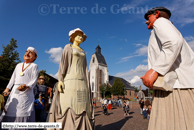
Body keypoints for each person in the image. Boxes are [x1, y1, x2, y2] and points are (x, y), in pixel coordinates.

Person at [141, 7, 194, 130]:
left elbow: (173, 41)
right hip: (176, 85)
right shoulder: (165, 27)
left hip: (176, 89)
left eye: (148, 18)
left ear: (157, 14)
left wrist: (155, 70)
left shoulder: (161, 22)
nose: (146, 22)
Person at [47, 28, 94, 130]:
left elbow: (85, 68)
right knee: (68, 105)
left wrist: (87, 83)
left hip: (82, 81)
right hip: (70, 80)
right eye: (78, 35)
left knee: (82, 106)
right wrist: (60, 80)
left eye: (81, 36)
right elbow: (63, 64)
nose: (80, 37)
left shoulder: (83, 51)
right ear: (72, 37)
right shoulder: (68, 47)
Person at [0, 47, 39, 123]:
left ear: (35, 57)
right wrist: (7, 89)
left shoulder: (34, 66)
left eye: (30, 52)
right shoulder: (18, 65)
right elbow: (12, 78)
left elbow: (34, 80)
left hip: (26, 92)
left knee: (23, 111)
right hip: (15, 91)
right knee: (10, 109)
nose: (27, 53)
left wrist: (26, 86)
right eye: (26, 51)